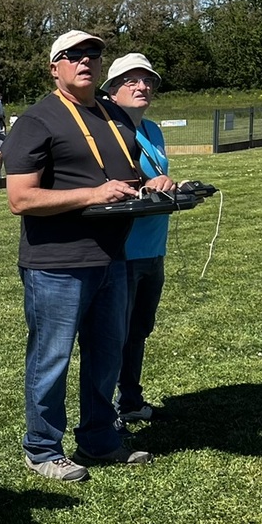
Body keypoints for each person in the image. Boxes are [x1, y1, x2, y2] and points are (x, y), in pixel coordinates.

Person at [4, 30, 151, 482]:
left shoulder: (114, 115)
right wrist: (93, 193)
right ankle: (43, 448)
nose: (85, 60)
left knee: (106, 355)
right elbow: (21, 199)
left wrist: (153, 186)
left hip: (112, 258)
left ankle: (99, 438)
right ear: (55, 67)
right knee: (52, 358)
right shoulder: (37, 120)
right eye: (73, 55)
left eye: (92, 53)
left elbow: (122, 181)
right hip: (57, 264)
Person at [104, 53, 175, 423]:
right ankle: (107, 410)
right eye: (131, 80)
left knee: (139, 330)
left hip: (153, 244)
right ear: (112, 90)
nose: (142, 86)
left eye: (147, 80)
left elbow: (156, 178)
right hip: (123, 248)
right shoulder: (107, 131)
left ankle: (130, 399)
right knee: (116, 333)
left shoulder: (153, 130)